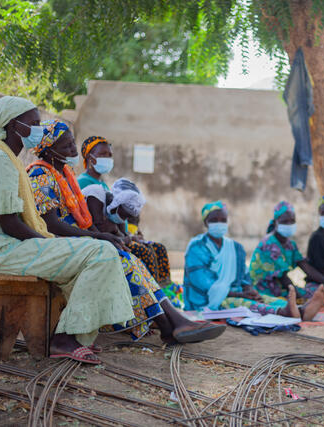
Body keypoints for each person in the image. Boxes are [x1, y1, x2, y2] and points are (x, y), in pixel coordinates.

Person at [26, 120, 224, 345]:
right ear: (49, 147)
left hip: (75, 241)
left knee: (130, 260)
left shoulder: (64, 174)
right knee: (125, 260)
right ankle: (170, 325)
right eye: (67, 145)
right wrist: (99, 236)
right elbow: (51, 224)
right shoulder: (41, 174)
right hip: (59, 243)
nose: (73, 150)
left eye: (73, 143)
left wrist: (108, 236)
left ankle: (171, 324)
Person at [0, 96, 135, 364]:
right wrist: (47, 244)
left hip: (11, 247)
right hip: (1, 251)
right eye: (33, 123)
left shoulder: (7, 158)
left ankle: (76, 335)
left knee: (100, 251)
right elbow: (8, 223)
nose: (37, 129)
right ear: (15, 125)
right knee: (101, 252)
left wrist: (49, 244)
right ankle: (65, 338)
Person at [183, 201, 324, 320]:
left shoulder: (235, 247)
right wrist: (241, 294)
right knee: (244, 304)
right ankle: (289, 313)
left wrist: (250, 289)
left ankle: (300, 309)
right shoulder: (196, 247)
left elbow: (244, 276)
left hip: (235, 292)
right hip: (206, 301)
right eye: (214, 220)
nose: (219, 224)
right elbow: (204, 284)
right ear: (206, 223)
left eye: (222, 220)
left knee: (263, 299)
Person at [84, 178, 175, 289]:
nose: (125, 219)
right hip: (88, 239)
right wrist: (120, 236)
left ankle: (157, 290)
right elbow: (98, 232)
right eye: (125, 215)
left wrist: (117, 231)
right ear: (117, 204)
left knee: (155, 248)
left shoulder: (116, 211)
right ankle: (150, 292)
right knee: (142, 252)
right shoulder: (96, 195)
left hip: (103, 240)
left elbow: (123, 236)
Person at [248, 201, 324, 319]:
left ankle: (304, 306)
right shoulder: (269, 244)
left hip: (283, 288)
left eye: (292, 221)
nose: (289, 224)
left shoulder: (291, 244)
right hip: (265, 289)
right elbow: (284, 278)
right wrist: (301, 295)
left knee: (322, 290)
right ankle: (302, 310)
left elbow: (306, 267)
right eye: (285, 221)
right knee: (275, 303)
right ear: (276, 222)